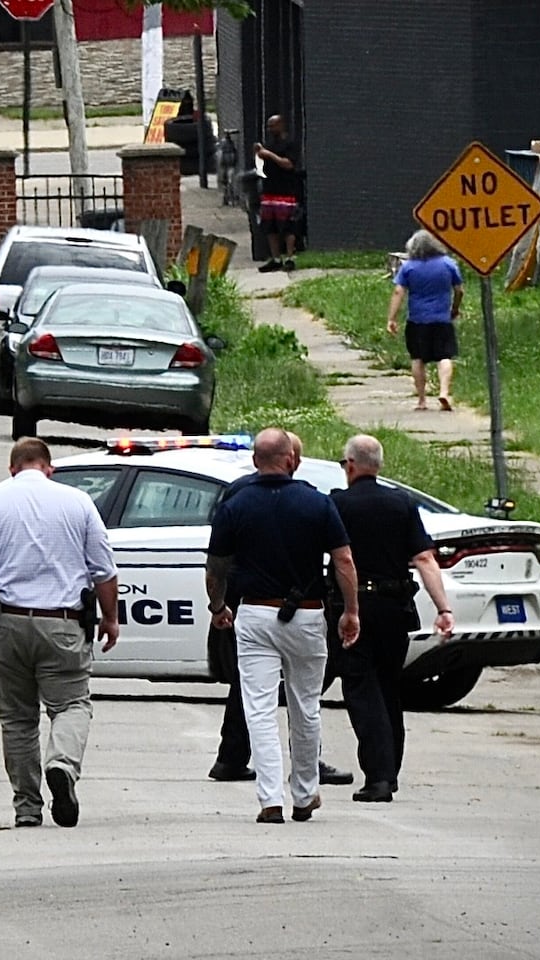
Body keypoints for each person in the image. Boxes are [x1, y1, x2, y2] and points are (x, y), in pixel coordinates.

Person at [0, 438, 120, 828]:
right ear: (49, 467)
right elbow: (103, 570)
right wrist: (110, 618)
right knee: (72, 704)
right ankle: (61, 763)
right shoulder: (78, 502)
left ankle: (27, 807)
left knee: (17, 719)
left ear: (12, 469)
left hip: (8, 624)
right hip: (62, 624)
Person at [205, 428, 358, 824]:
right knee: (305, 707)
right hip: (306, 614)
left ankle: (270, 799)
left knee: (258, 708)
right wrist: (351, 611)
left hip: (255, 614)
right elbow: (343, 561)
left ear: (255, 461)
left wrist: (218, 605)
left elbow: (216, 566)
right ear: (291, 459)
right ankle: (305, 794)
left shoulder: (236, 505)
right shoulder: (317, 503)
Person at [329, 435, 455, 802]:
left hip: (353, 610)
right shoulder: (402, 504)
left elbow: (336, 558)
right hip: (395, 609)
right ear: (378, 466)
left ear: (350, 465)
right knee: (387, 689)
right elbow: (425, 560)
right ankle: (390, 771)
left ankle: (379, 777)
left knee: (360, 689)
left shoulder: (338, 505)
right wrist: (444, 608)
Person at [387, 228, 465, 411]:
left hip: (417, 320)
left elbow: (399, 291)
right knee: (444, 356)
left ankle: (422, 400)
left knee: (418, 358)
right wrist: (454, 308)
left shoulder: (408, 267)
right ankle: (444, 392)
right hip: (442, 319)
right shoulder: (448, 264)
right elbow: (459, 290)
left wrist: (392, 318)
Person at [254, 114, 303, 273]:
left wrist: (269, 155)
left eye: (272, 126)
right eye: (268, 126)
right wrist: (259, 153)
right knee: (270, 226)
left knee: (288, 226)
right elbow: (261, 167)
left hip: (286, 191)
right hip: (269, 191)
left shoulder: (289, 144)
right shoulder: (269, 144)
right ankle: (275, 259)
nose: (270, 129)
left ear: (281, 125)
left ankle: (289, 257)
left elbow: (288, 164)